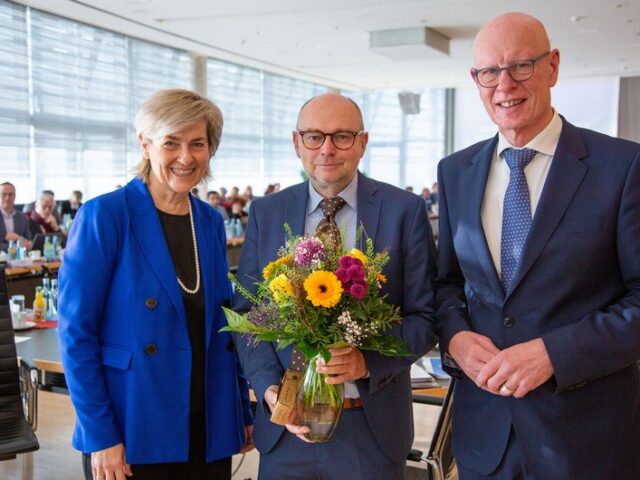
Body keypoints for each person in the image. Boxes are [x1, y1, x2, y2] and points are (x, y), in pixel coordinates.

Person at [436, 12, 640, 479]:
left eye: (521, 66)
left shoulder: (623, 166)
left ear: (552, 67)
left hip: (587, 440)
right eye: (490, 72)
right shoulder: (454, 172)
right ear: (476, 80)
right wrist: (456, 339)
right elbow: (447, 283)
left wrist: (554, 352)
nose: (504, 85)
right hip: (485, 438)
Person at [233, 93, 438, 480]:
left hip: (369, 431)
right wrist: (269, 388)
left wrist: (367, 362)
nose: (327, 149)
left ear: (362, 142)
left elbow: (425, 318)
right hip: (286, 431)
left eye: (342, 136)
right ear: (297, 143)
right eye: (314, 136)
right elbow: (248, 316)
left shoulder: (404, 211)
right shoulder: (267, 211)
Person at [58, 88, 254, 480]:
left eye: (198, 144)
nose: (186, 157)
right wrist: (100, 436)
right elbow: (77, 334)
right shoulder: (105, 216)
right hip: (132, 425)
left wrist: (240, 411)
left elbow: (223, 327)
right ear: (145, 144)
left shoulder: (210, 222)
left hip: (206, 421)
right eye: (171, 143)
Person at [0, 182, 33, 251]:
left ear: (15, 196)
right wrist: (15, 247)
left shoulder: (22, 217)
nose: (7, 198)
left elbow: (29, 242)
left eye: (10, 194)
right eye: (4, 194)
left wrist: (18, 238)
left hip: (19, 259)